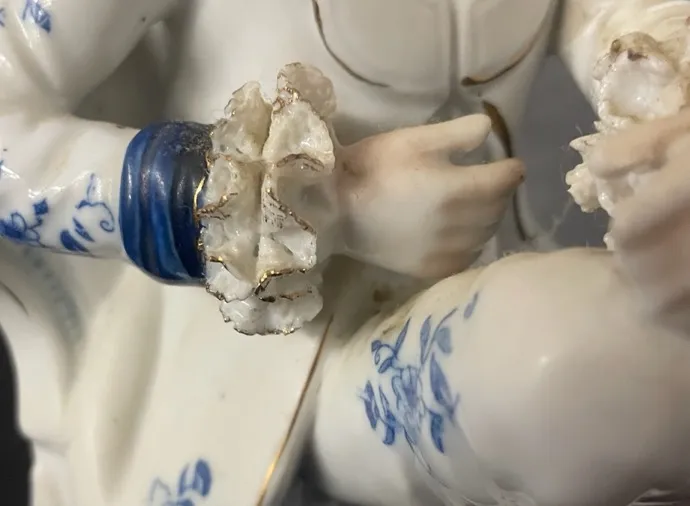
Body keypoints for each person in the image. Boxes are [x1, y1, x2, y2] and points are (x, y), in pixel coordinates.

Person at [1, 0, 690, 504]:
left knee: (646, 355)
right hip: (266, 358)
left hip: (486, 279)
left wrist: (671, 116)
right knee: (584, 366)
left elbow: (618, 18)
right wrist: (337, 203)